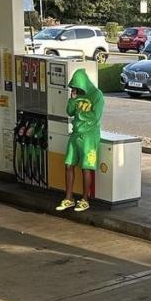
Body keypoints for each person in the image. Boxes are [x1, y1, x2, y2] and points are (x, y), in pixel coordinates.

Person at [56, 68, 104, 213]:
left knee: (86, 167)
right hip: (76, 134)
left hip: (89, 136)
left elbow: (95, 116)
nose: (76, 89)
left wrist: (80, 113)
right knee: (68, 165)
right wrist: (72, 99)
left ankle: (85, 199)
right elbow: (69, 112)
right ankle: (69, 198)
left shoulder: (97, 95)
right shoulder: (76, 95)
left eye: (77, 87)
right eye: (74, 87)